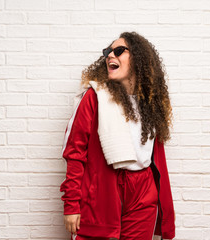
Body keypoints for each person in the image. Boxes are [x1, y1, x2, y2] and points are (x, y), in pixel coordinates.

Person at [60, 31, 176, 240]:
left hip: (143, 189)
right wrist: (71, 205)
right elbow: (75, 152)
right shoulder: (94, 97)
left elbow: (155, 156)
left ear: (139, 58)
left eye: (119, 50)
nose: (110, 55)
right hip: (103, 188)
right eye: (108, 51)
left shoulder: (150, 103)